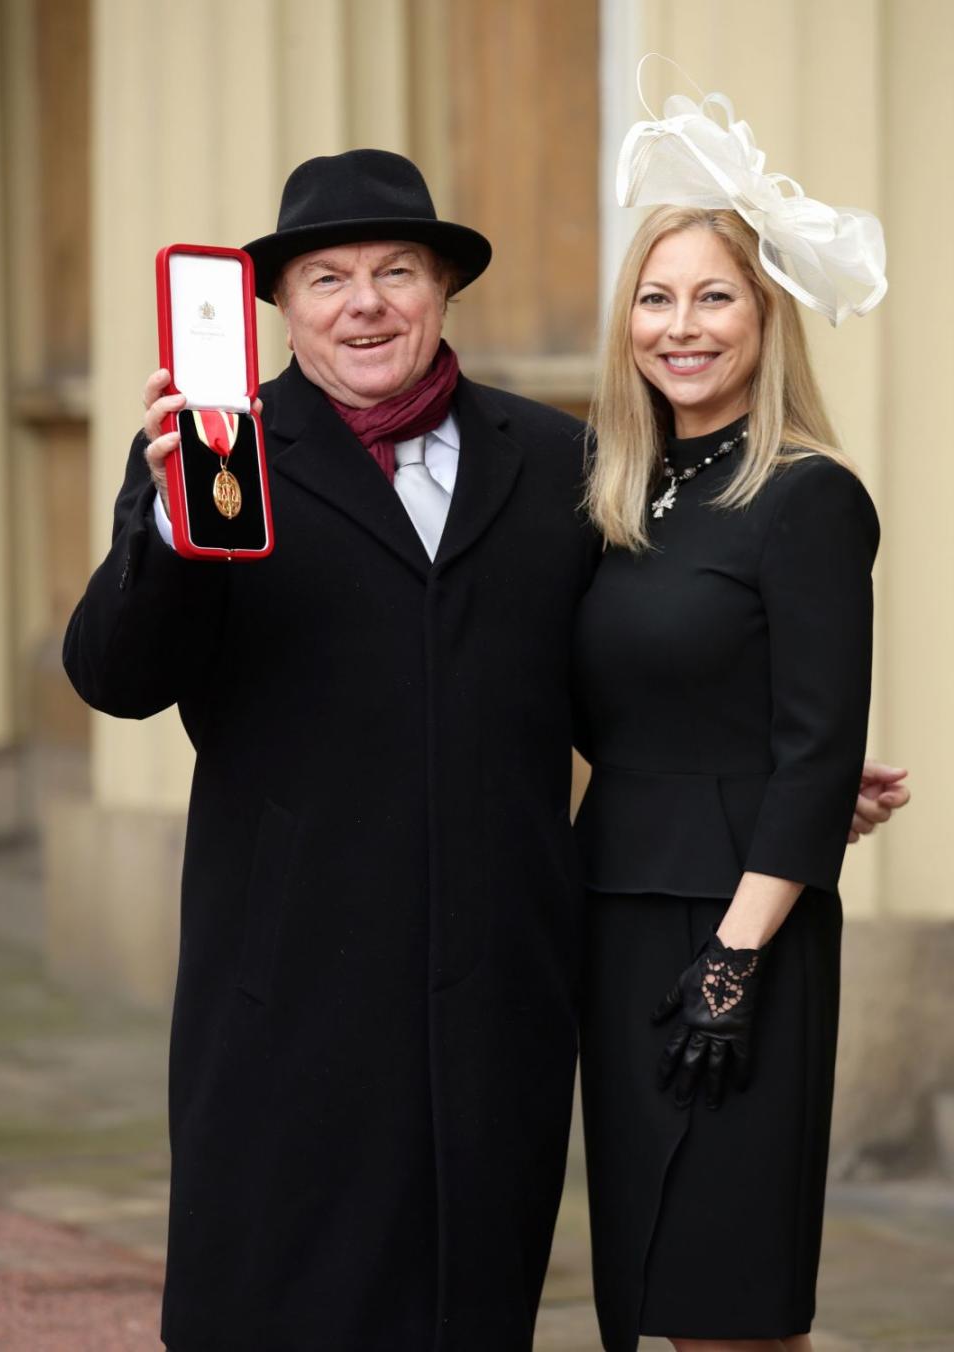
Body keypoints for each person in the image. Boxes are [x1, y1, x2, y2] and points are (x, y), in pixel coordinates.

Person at [64, 147, 904, 1352]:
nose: (365, 303)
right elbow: (114, 676)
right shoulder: (213, 453)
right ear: (283, 306)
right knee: (274, 1300)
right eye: (327, 278)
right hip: (291, 983)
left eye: (396, 270)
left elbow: (622, 660)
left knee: (471, 1299)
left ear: (443, 287)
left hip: (495, 983)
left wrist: (765, 775)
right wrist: (166, 528)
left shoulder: (558, 462)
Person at [573, 66, 895, 1350]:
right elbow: (635, 707)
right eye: (656, 298)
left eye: (716, 296)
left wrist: (736, 957)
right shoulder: (614, 499)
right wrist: (770, 780)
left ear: (768, 318)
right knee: (653, 1278)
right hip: (613, 911)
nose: (681, 325)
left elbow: (816, 735)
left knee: (732, 1295)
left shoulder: (809, 498)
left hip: (735, 937)